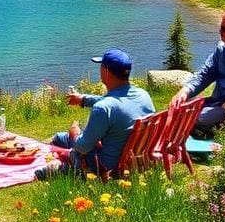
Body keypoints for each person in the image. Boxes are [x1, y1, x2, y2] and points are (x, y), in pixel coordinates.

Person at [37, 48, 154, 178]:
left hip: (105, 165)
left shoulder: (103, 108)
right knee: (60, 137)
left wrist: (74, 132)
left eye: (101, 66)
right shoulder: (143, 95)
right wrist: (84, 100)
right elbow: (118, 102)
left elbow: (82, 148)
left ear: (106, 72)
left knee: (69, 140)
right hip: (132, 157)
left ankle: (53, 168)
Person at [170, 7, 225, 137]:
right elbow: (205, 74)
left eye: (224, 28)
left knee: (198, 118)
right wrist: (186, 90)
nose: (219, 32)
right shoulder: (222, 50)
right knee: (178, 110)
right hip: (217, 102)